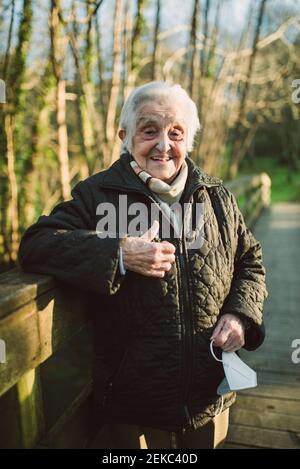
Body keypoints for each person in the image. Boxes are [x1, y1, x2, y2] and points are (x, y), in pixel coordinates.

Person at [18, 81, 267, 449]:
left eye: (175, 133)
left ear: (189, 140)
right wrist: (117, 252)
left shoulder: (217, 196)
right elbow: (37, 243)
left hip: (209, 397)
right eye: (150, 131)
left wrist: (240, 315)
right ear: (125, 135)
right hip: (132, 408)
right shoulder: (97, 194)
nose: (164, 145)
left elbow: (250, 262)